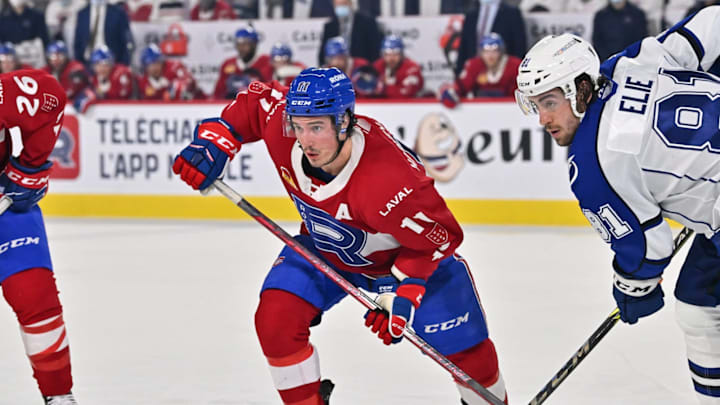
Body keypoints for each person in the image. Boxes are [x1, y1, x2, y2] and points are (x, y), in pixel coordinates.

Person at [172, 67, 508, 404]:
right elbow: (255, 103)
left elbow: (440, 238)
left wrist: (403, 293)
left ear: (344, 122)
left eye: (317, 127)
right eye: (299, 126)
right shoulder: (284, 128)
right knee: (276, 321)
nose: (305, 140)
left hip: (409, 264)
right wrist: (215, 143)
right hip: (328, 250)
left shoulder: (389, 181)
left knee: (469, 357)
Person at [514, 7, 720, 402]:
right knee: (698, 303)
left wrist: (632, 290)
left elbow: (647, 249)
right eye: (535, 106)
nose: (542, 119)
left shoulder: (592, 165)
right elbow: (712, 21)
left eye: (550, 102)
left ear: (580, 89)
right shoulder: (630, 62)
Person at [0, 69, 77, 405]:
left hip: (4, 208)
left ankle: (59, 397)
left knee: (36, 298)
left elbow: (48, 96)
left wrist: (29, 170)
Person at [441, 33, 521, 108]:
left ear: (501, 51)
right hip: (481, 113)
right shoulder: (475, 65)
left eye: (494, 50)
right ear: (481, 52)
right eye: (486, 51)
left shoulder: (514, 65)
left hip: (510, 112)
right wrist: (452, 93)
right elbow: (462, 85)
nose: (490, 55)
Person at [213, 26, 272, 99]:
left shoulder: (266, 62)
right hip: (232, 106)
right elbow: (218, 93)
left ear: (254, 45)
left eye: (245, 44)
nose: (241, 48)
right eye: (239, 45)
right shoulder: (228, 64)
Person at [318, 0, 383, 66]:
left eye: (343, 4)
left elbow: (375, 51)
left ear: (350, 4)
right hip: (337, 70)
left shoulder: (367, 22)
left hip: (361, 69)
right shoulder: (329, 26)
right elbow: (322, 56)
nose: (340, 7)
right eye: (337, 4)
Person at [137, 43, 203, 100]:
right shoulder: (143, 81)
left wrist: (172, 89)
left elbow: (190, 82)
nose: (156, 67)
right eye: (152, 64)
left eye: (158, 62)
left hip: (194, 107)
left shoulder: (175, 68)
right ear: (145, 66)